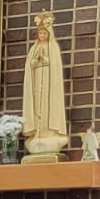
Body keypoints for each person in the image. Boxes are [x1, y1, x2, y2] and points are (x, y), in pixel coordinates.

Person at [20, 10, 68, 157]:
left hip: (48, 83)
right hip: (36, 82)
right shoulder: (34, 48)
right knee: (37, 108)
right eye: (39, 34)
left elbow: (56, 65)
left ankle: (49, 132)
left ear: (49, 33)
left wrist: (45, 60)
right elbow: (29, 65)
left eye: (44, 33)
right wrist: (35, 62)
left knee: (48, 108)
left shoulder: (53, 47)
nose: (41, 36)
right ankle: (38, 133)